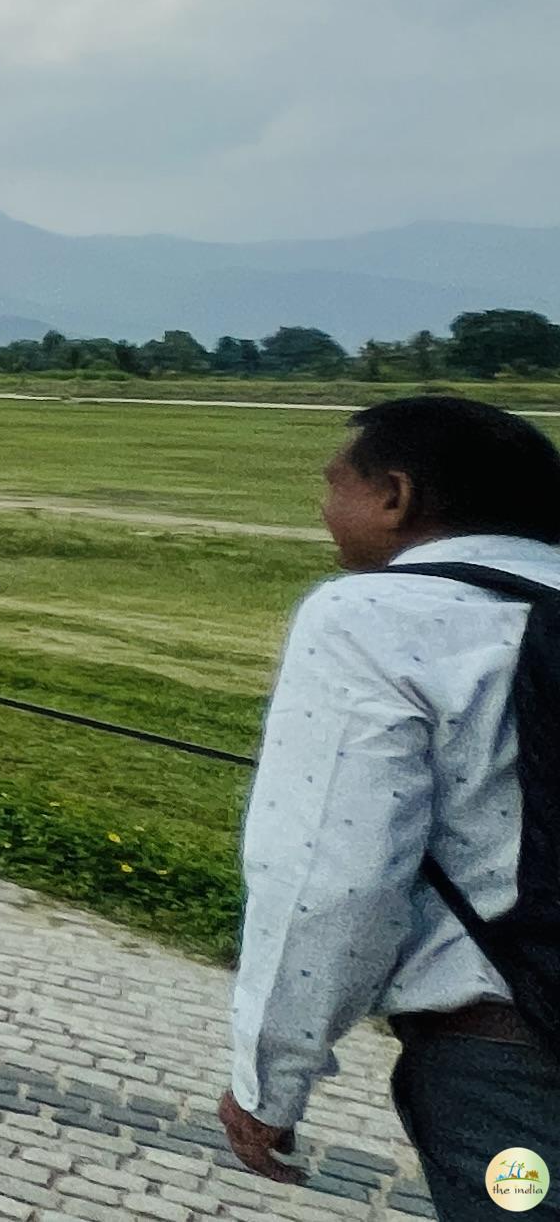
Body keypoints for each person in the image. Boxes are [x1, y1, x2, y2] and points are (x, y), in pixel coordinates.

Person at [221, 397, 560, 1211]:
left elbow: (332, 877)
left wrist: (269, 1080)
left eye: (334, 483)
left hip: (513, 1070)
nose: (323, 506)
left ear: (396, 497)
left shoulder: (370, 616)